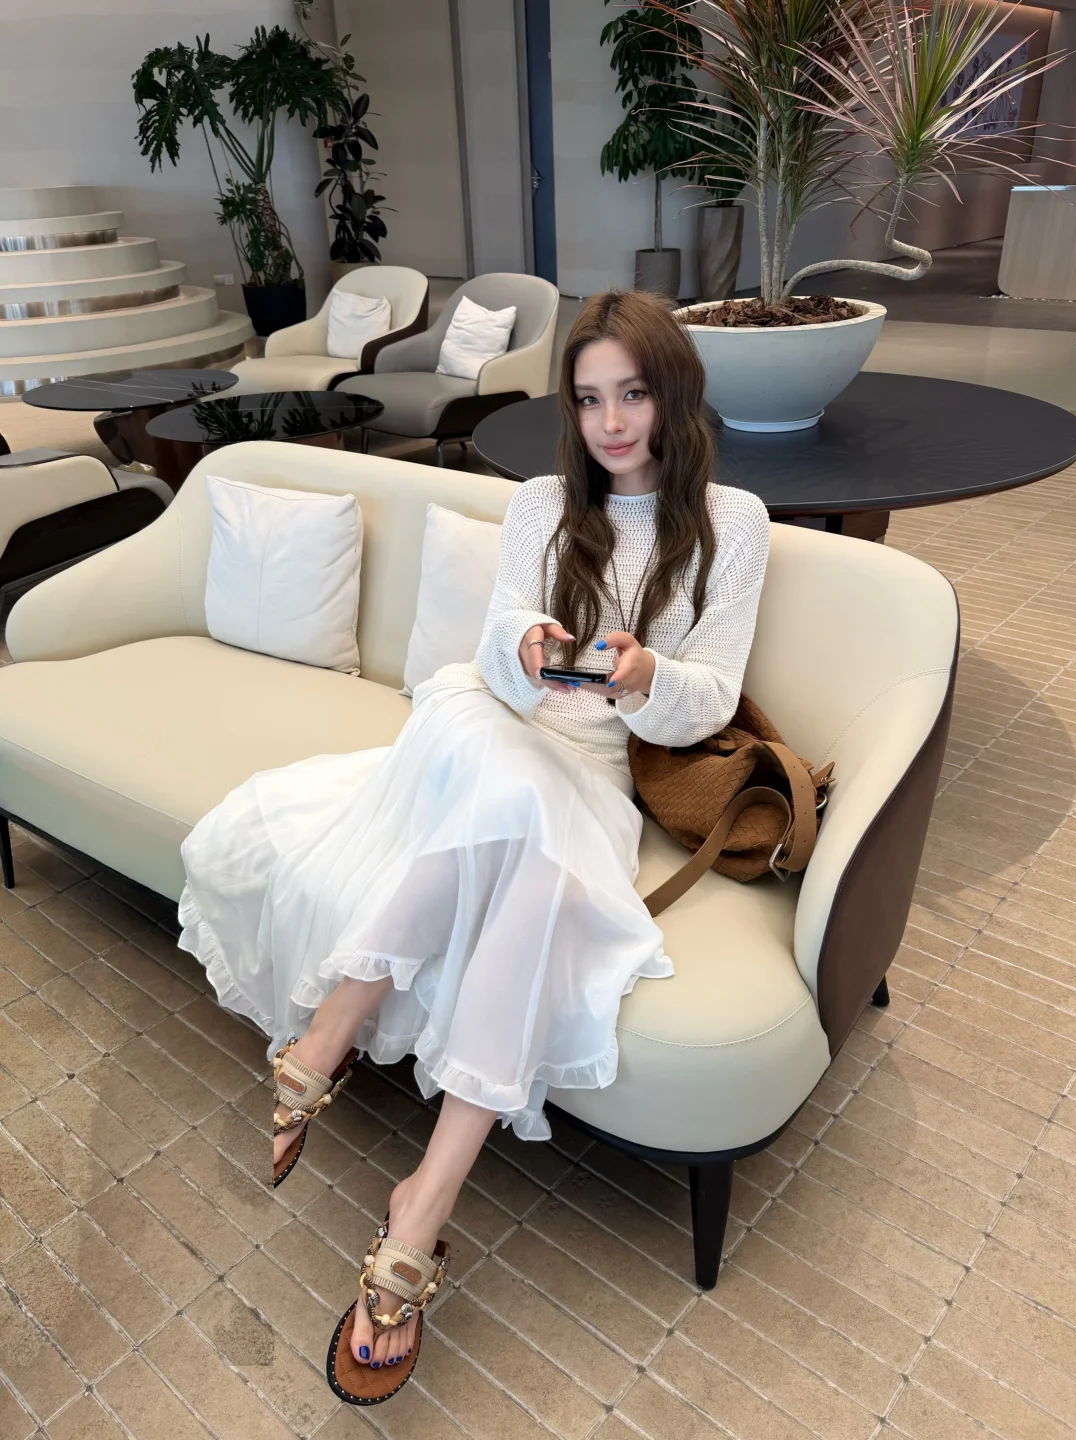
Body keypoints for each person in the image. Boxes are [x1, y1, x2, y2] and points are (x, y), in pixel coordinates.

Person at [177, 288, 770, 1403]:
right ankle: (408, 1196)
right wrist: (528, 646)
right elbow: (497, 642)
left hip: (595, 771)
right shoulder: (544, 502)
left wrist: (648, 676)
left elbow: (715, 695)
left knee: (535, 866)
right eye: (588, 399)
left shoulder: (732, 523)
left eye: (633, 394)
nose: (611, 423)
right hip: (489, 722)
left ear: (674, 394)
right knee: (516, 808)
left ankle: (361, 1103)